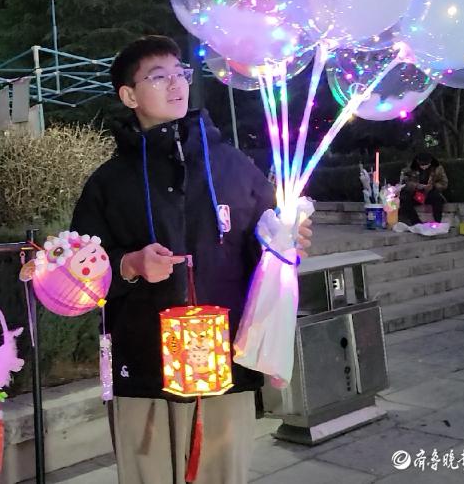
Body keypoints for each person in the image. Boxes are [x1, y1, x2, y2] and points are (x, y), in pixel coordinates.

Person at [69, 35, 312, 484]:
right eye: (157, 77)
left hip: (225, 366)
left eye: (179, 73)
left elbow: (264, 251)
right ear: (129, 96)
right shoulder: (108, 183)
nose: (175, 84)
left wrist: (284, 243)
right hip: (144, 368)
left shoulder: (234, 166)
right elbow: (79, 271)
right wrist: (130, 265)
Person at [398, 152, 448, 225]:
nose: (424, 167)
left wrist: (433, 186)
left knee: (437, 198)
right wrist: (416, 186)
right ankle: (416, 223)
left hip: (430, 194)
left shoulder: (437, 168)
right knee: (405, 199)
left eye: (426, 165)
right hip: (417, 195)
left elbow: (444, 183)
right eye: (422, 165)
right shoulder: (409, 169)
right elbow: (404, 183)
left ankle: (437, 223)